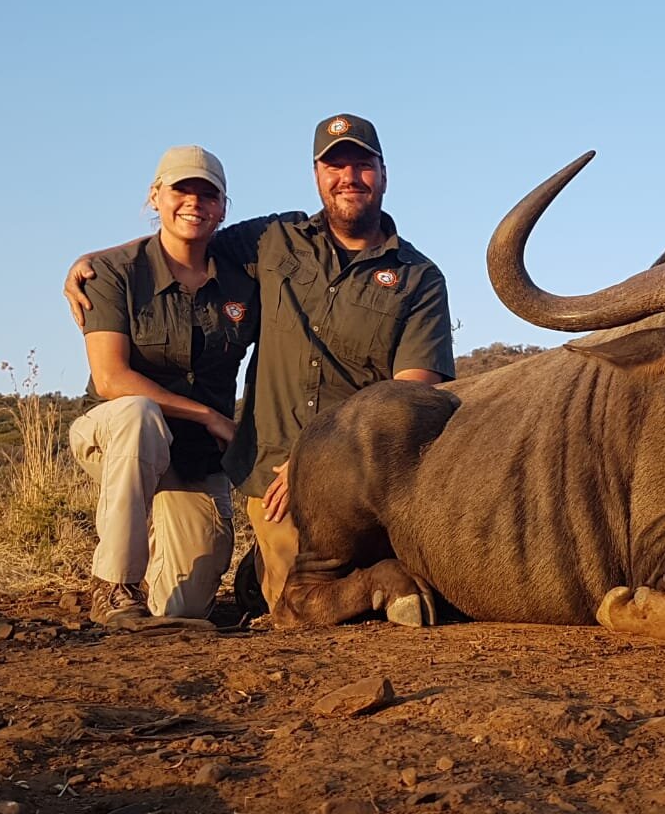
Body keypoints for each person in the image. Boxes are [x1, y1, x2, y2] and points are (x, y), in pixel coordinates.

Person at [66, 114, 455, 617]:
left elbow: (412, 390)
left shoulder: (419, 277)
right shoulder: (273, 238)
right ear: (317, 175)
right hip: (273, 472)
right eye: (334, 166)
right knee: (303, 604)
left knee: (185, 610)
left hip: (364, 472)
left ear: (383, 173)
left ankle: (255, 574)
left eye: (361, 165)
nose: (348, 178)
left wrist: (323, 458)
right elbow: (179, 238)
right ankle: (127, 585)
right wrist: (91, 261)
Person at [69, 146, 258, 626]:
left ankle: (155, 563)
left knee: (184, 609)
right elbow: (112, 379)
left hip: (194, 461)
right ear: (156, 196)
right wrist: (211, 417)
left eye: (207, 193)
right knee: (140, 414)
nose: (193, 202)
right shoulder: (112, 272)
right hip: (118, 436)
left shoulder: (244, 281)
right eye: (181, 189)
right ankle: (115, 585)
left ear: (222, 207)